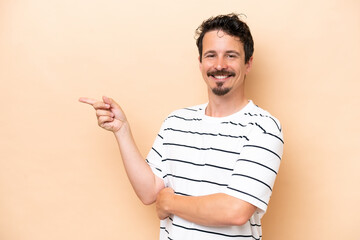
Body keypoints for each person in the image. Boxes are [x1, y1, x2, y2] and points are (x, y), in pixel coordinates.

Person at [79, 13, 283, 240]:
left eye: (231, 55)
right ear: (200, 63)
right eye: (211, 55)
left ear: (248, 63)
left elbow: (235, 211)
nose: (219, 65)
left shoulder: (263, 127)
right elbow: (149, 192)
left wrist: (170, 202)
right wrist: (122, 131)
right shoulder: (176, 122)